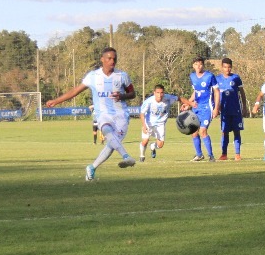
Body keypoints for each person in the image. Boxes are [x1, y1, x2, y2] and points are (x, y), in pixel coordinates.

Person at [46, 47, 137, 181]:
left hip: (121, 114)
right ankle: (126, 156)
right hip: (102, 114)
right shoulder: (93, 76)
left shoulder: (122, 76)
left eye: (114, 58)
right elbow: (75, 91)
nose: (112, 61)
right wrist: (56, 101)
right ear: (102, 59)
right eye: (109, 58)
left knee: (113, 144)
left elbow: (133, 94)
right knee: (107, 131)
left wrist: (122, 96)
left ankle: (92, 167)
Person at [138, 84, 196, 162]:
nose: (159, 95)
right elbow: (142, 114)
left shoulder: (167, 98)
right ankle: (142, 156)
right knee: (145, 141)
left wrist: (190, 103)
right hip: (149, 123)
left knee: (160, 145)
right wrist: (144, 125)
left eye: (161, 93)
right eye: (157, 92)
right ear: (154, 93)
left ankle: (153, 146)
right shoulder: (148, 101)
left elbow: (179, 98)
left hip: (160, 124)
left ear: (163, 93)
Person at [216, 57, 249, 161]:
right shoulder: (217, 79)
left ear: (231, 67)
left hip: (236, 110)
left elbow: (242, 94)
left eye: (229, 67)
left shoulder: (236, 78)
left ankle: (237, 154)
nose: (227, 69)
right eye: (225, 67)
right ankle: (224, 154)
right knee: (224, 132)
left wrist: (244, 107)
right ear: (222, 67)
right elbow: (215, 95)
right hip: (224, 111)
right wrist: (216, 108)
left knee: (236, 131)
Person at [188, 56, 220, 162]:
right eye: (196, 64)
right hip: (196, 107)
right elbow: (196, 92)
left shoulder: (209, 76)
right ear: (193, 66)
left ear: (203, 65)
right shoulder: (192, 76)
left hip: (207, 107)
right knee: (194, 132)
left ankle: (211, 156)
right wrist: (189, 103)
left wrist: (216, 108)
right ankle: (199, 155)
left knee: (203, 131)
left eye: (200, 64)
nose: (198, 66)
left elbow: (217, 92)